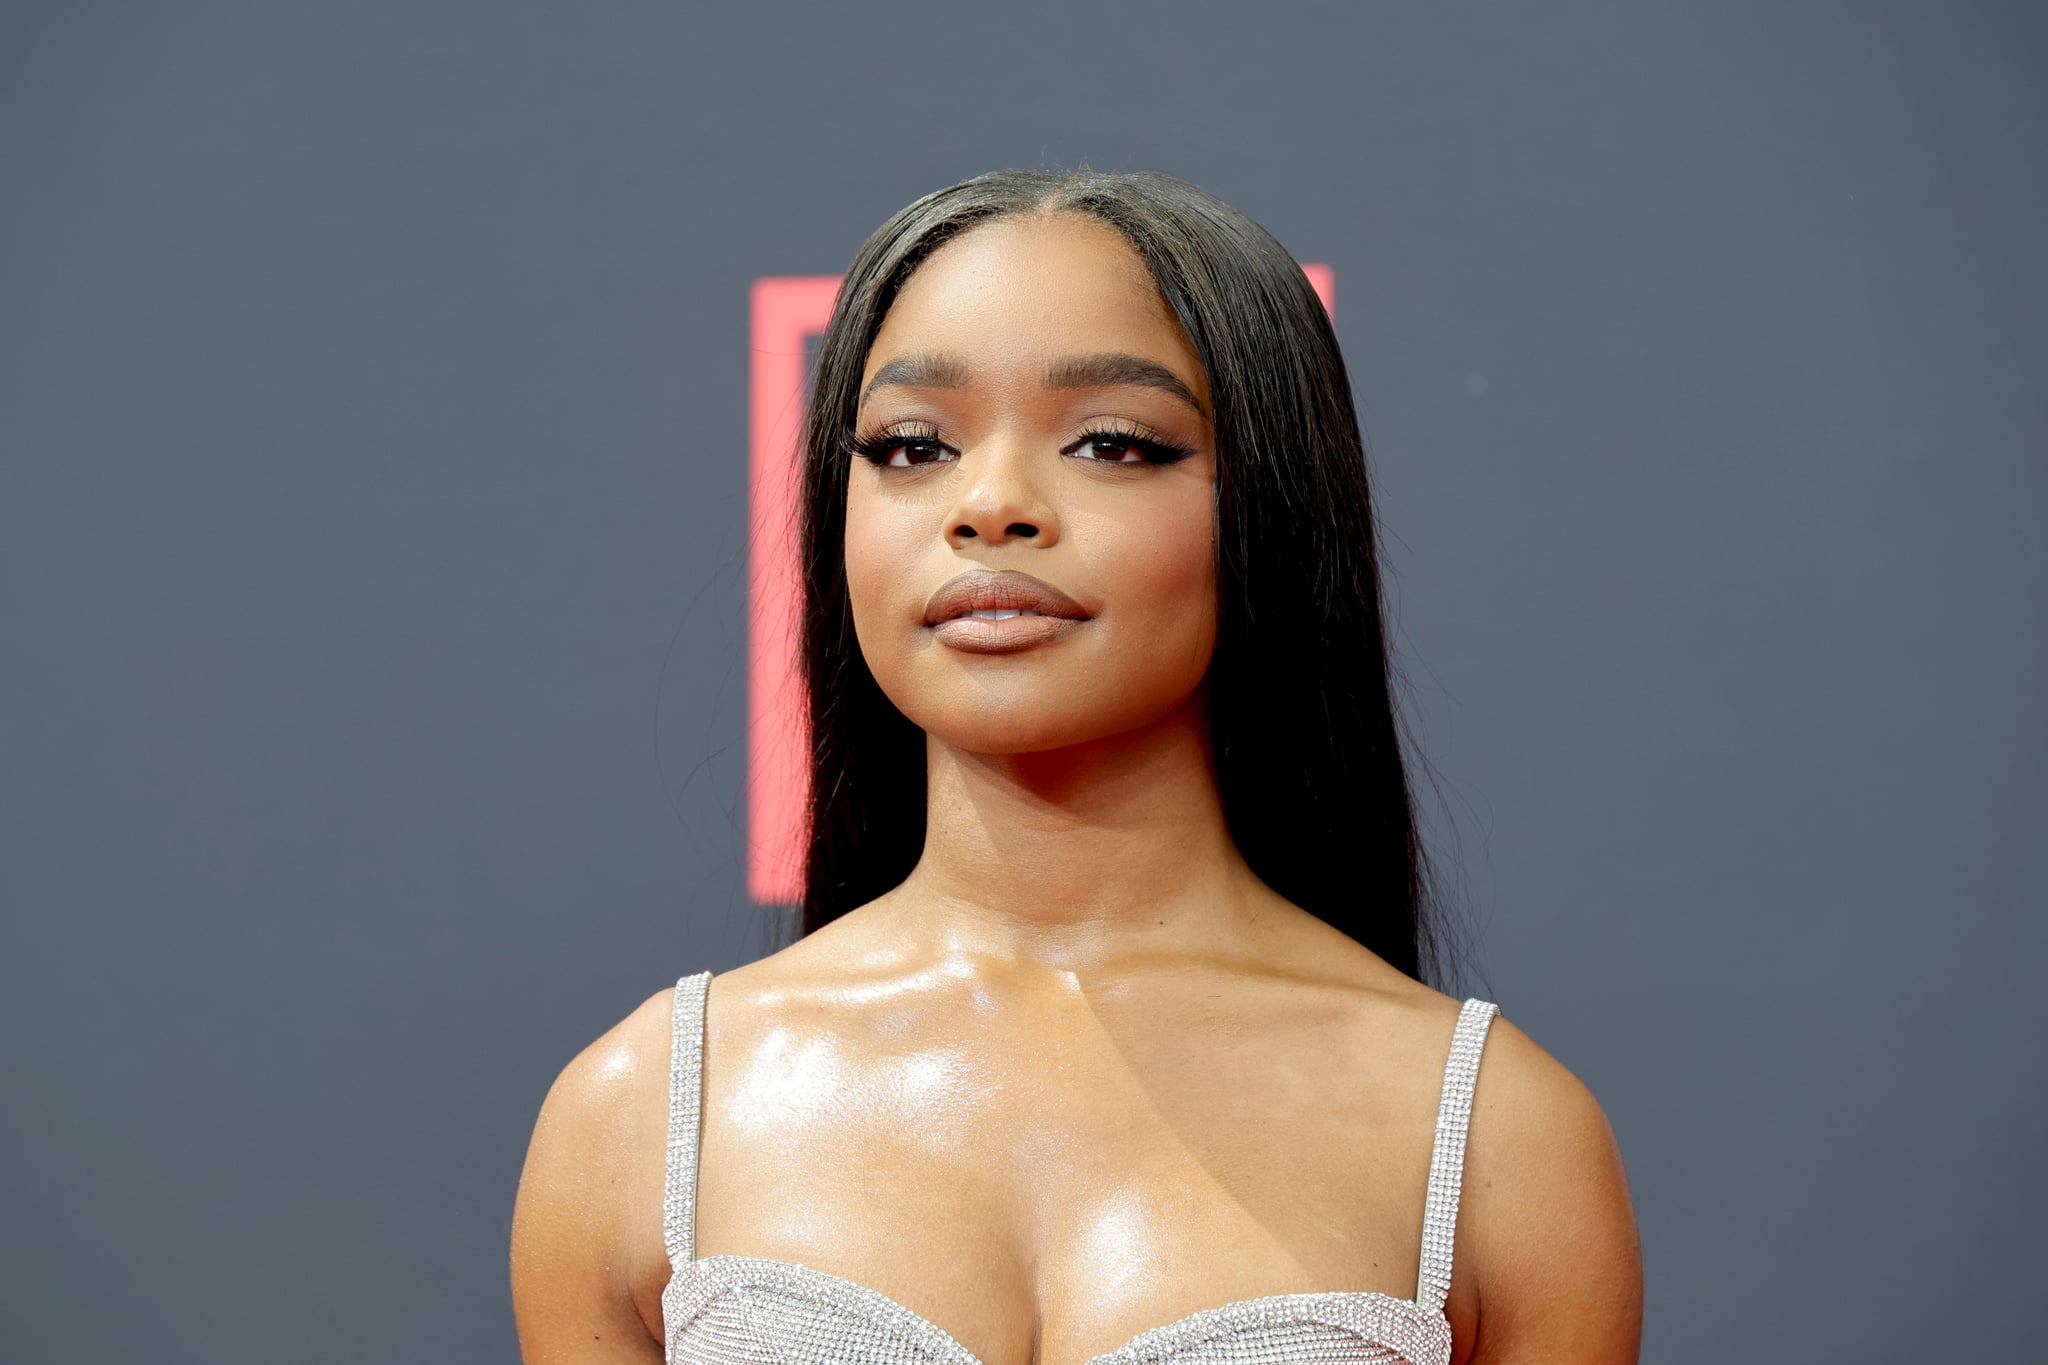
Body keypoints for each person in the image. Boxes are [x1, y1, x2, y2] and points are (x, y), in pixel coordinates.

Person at [510, 168, 1643, 1365]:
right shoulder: (640, 1114)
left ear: (1271, 506)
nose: (989, 503)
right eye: (910, 447)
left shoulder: (1495, 1143)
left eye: (1112, 442)